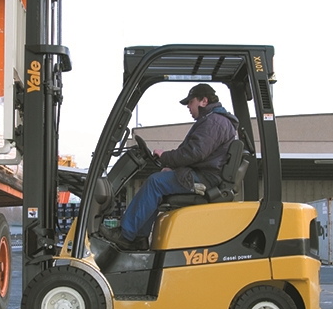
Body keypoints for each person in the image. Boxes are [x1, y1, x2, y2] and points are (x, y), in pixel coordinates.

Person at [99, 83, 239, 251]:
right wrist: (173, 168)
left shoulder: (214, 122)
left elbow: (194, 153)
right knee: (158, 181)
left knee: (155, 183)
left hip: (205, 178)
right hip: (203, 173)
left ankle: (127, 234)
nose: (188, 106)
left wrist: (165, 157)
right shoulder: (213, 120)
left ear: (204, 101)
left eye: (191, 101)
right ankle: (139, 238)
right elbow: (196, 154)